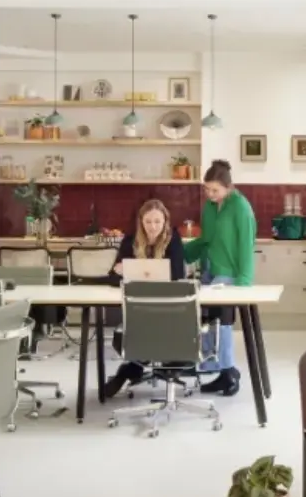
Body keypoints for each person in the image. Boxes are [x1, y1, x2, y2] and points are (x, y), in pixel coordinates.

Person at [183, 159, 257, 397]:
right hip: (210, 268)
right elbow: (206, 239)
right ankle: (213, 366)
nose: (210, 194)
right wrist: (179, 252)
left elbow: (246, 245)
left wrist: (244, 282)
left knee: (222, 322)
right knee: (205, 318)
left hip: (230, 273)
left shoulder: (241, 207)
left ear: (228, 186)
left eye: (215, 190)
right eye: (207, 189)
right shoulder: (209, 207)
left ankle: (228, 372)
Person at [101, 199, 186, 399]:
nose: (153, 227)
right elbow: (112, 278)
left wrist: (136, 271)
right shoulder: (130, 240)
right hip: (138, 308)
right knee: (136, 329)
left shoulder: (173, 239)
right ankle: (133, 367)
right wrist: (120, 271)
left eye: (157, 221)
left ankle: (131, 369)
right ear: (141, 222)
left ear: (165, 221)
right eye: (148, 222)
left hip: (166, 306)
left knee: (155, 330)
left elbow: (176, 275)